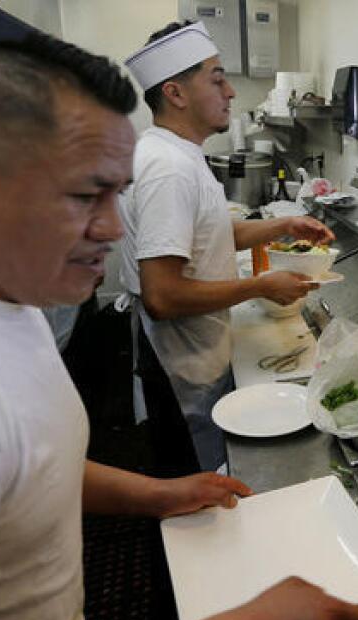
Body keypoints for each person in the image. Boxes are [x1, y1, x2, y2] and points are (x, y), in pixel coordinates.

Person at [0, 33, 358, 620]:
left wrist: (156, 494)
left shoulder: (0, 297)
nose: (112, 230)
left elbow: (29, 466)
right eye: (84, 196)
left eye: (115, 194)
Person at [119, 22, 333, 474]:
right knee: (194, 491)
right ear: (176, 93)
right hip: (182, 368)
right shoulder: (167, 169)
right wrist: (259, 287)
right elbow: (162, 296)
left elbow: (211, 235)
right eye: (216, 78)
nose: (231, 92)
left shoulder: (181, 154)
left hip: (200, 353)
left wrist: (284, 225)